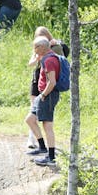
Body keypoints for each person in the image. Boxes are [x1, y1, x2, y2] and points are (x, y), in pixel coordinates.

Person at [26, 27, 69, 149]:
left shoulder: (54, 48)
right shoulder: (38, 47)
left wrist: (44, 95)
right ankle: (34, 141)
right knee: (32, 113)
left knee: (46, 122)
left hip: (48, 82)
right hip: (38, 79)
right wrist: (37, 57)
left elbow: (58, 65)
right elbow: (31, 63)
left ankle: (49, 151)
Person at [25, 36, 63, 167]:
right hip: (43, 95)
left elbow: (52, 82)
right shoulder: (45, 58)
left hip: (48, 96)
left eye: (36, 47)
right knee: (30, 119)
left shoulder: (50, 61)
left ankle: (51, 157)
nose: (34, 50)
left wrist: (43, 95)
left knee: (48, 126)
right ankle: (42, 147)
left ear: (42, 47)